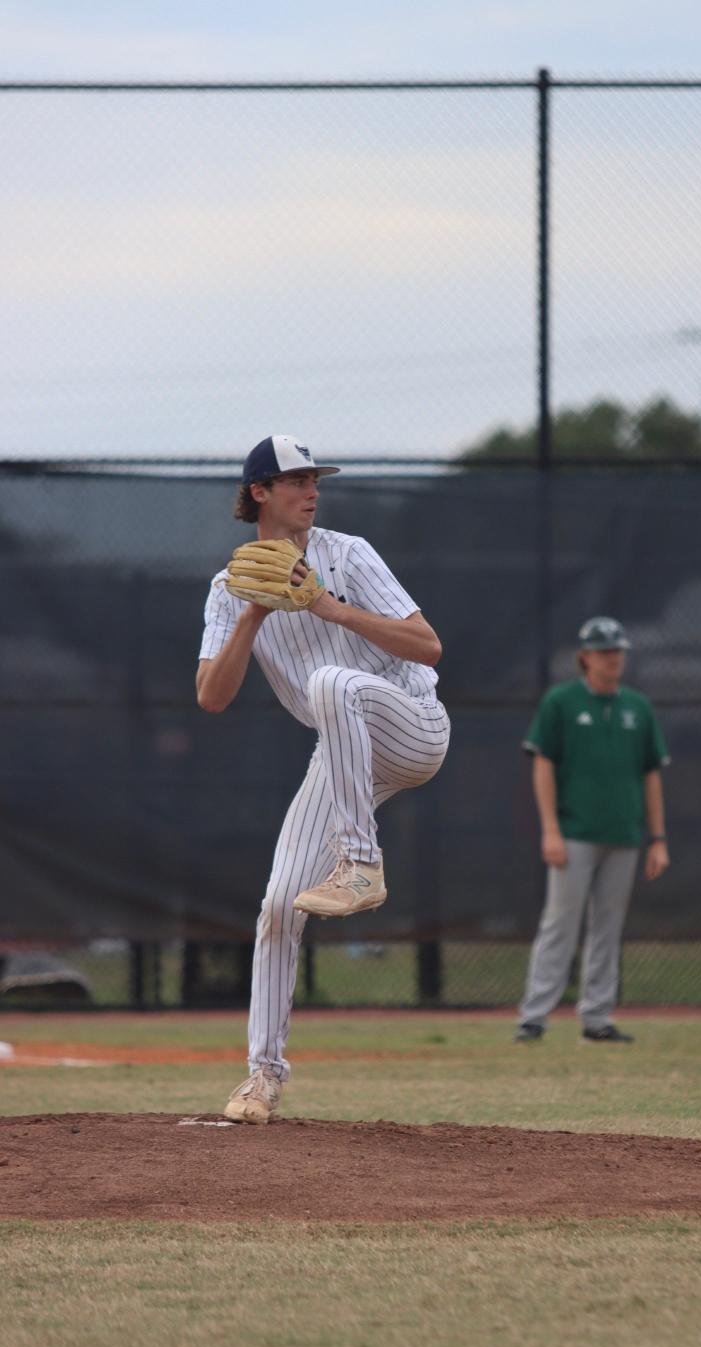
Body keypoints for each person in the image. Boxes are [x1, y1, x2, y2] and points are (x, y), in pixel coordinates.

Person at [197, 435, 449, 1123]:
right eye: (295, 480)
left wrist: (329, 608)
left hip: (411, 725)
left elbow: (428, 646)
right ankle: (262, 1078)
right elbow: (211, 697)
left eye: (314, 479)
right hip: (343, 758)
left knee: (331, 679)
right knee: (281, 904)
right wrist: (257, 606)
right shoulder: (229, 588)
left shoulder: (348, 554)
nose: (311, 490)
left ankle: (361, 864)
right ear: (258, 493)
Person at [515, 616, 670, 1043]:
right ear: (585, 657)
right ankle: (534, 1016)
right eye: (604, 651)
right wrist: (550, 830)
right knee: (560, 923)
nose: (612, 658)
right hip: (574, 832)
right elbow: (543, 764)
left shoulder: (637, 707)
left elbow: (651, 775)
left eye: (617, 650)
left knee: (608, 927)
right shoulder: (561, 702)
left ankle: (597, 1019)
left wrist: (658, 838)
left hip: (623, 834)